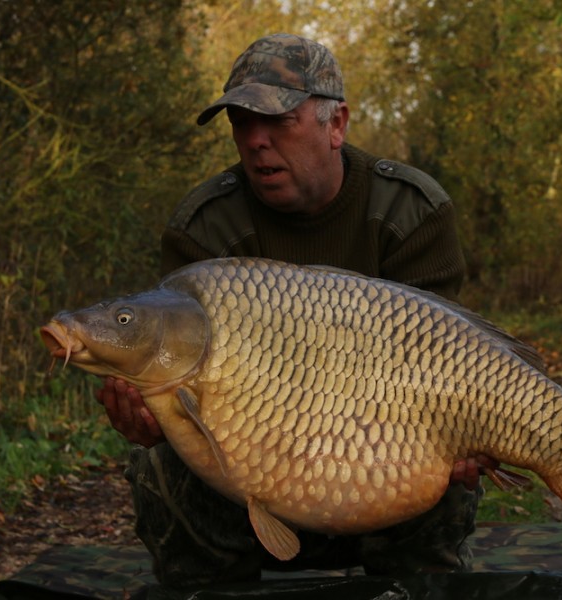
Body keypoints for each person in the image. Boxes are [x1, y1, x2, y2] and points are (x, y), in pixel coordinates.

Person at [96, 33, 495, 589]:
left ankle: (415, 582)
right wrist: (150, 418)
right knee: (159, 460)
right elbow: (179, 383)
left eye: (278, 121)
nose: (256, 141)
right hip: (247, 465)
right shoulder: (204, 226)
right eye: (241, 123)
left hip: (382, 459)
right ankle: (213, 587)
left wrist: (461, 434)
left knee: (450, 455)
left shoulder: (410, 209)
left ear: (336, 125)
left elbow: (448, 362)